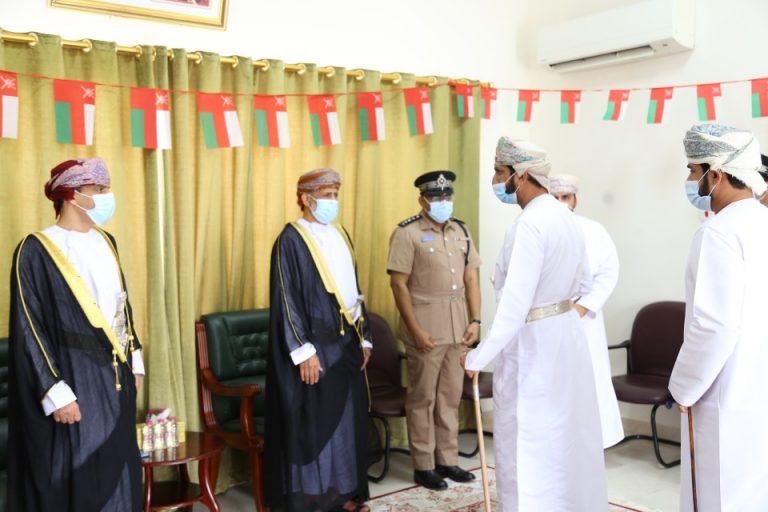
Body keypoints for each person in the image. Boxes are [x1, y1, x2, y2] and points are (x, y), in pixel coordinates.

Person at [463, 137, 607, 511]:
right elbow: (585, 282)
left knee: (527, 441)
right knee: (564, 437)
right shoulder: (566, 218)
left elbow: (514, 305)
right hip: (566, 335)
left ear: (522, 175)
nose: (495, 181)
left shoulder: (528, 224)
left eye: (500, 172)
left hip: (533, 343)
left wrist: (480, 356)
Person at [7, 157, 145, 511]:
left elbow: (121, 307)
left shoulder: (107, 241)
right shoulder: (35, 249)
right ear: (71, 194)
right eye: (98, 189)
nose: (106, 197)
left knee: (120, 466)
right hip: (72, 377)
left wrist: (135, 359)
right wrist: (54, 391)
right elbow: (29, 326)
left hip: (116, 374)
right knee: (81, 471)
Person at [670, 123, 768, 511]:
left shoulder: (719, 232)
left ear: (717, 174)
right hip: (758, 385)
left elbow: (715, 326)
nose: (689, 180)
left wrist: (683, 387)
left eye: (693, 170)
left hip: (723, 390)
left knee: (719, 494)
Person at [265, 168, 372, 512]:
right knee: (314, 426)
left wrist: (365, 338)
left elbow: (355, 291)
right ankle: (314, 501)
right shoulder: (290, 239)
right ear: (306, 198)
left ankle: (342, 495)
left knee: (345, 423)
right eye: (327, 195)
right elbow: (286, 300)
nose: (333, 202)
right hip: (314, 349)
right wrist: (303, 351)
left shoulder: (341, 234)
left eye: (336, 195)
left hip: (345, 346)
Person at [387, 170, 481, 490]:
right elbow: (398, 285)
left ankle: (447, 460)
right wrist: (415, 330)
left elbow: (471, 279)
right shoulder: (407, 232)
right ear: (422, 200)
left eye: (447, 195)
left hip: (458, 327)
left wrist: (476, 321)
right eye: (436, 196)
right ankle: (424, 465)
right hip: (425, 328)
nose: (443, 201)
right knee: (423, 398)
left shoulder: (461, 230)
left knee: (449, 397)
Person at [549, 174, 624, 448]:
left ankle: (591, 446)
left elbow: (608, 272)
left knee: (587, 382)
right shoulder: (536, 229)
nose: (560, 203)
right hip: (545, 320)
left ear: (575, 200)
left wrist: (583, 306)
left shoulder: (594, 231)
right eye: (555, 198)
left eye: (565, 197)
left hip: (585, 320)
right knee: (553, 385)